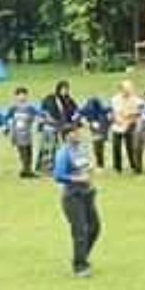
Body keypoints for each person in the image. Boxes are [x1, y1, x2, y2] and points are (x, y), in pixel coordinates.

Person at [53, 120, 101, 279]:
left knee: (95, 227)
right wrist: (77, 179)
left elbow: (86, 166)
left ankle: (81, 256)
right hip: (73, 197)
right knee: (80, 230)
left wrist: (91, 171)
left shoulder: (81, 149)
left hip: (88, 193)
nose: (78, 134)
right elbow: (58, 175)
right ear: (67, 136)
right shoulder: (63, 153)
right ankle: (79, 266)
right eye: (75, 132)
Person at [7, 87, 42, 179]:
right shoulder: (13, 108)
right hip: (17, 135)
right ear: (16, 96)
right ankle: (26, 170)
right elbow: (7, 118)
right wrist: (7, 129)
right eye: (20, 95)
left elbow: (39, 115)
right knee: (22, 153)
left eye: (24, 95)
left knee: (29, 152)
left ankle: (26, 170)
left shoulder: (30, 108)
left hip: (27, 134)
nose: (22, 97)